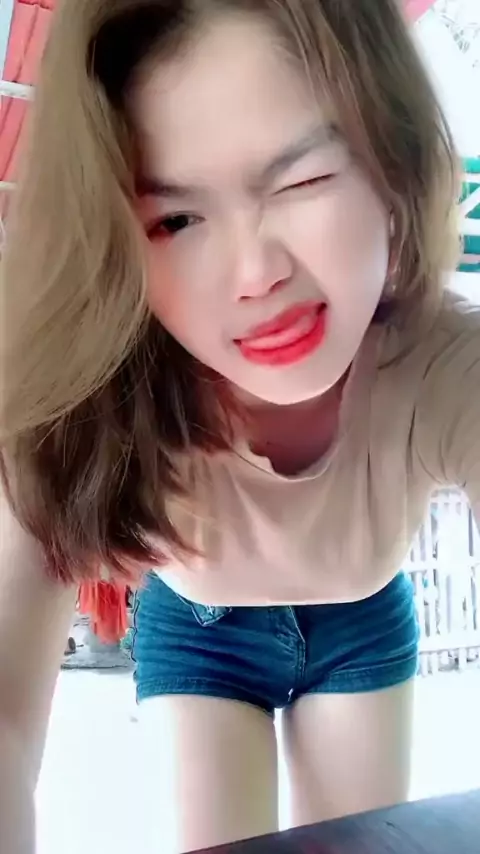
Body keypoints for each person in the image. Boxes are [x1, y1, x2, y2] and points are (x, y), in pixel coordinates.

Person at [0, 1, 478, 852]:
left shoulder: (442, 363)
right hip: (201, 632)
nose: (255, 274)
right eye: (176, 220)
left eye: (302, 181)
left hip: (362, 620)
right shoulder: (83, 392)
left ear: (394, 163)